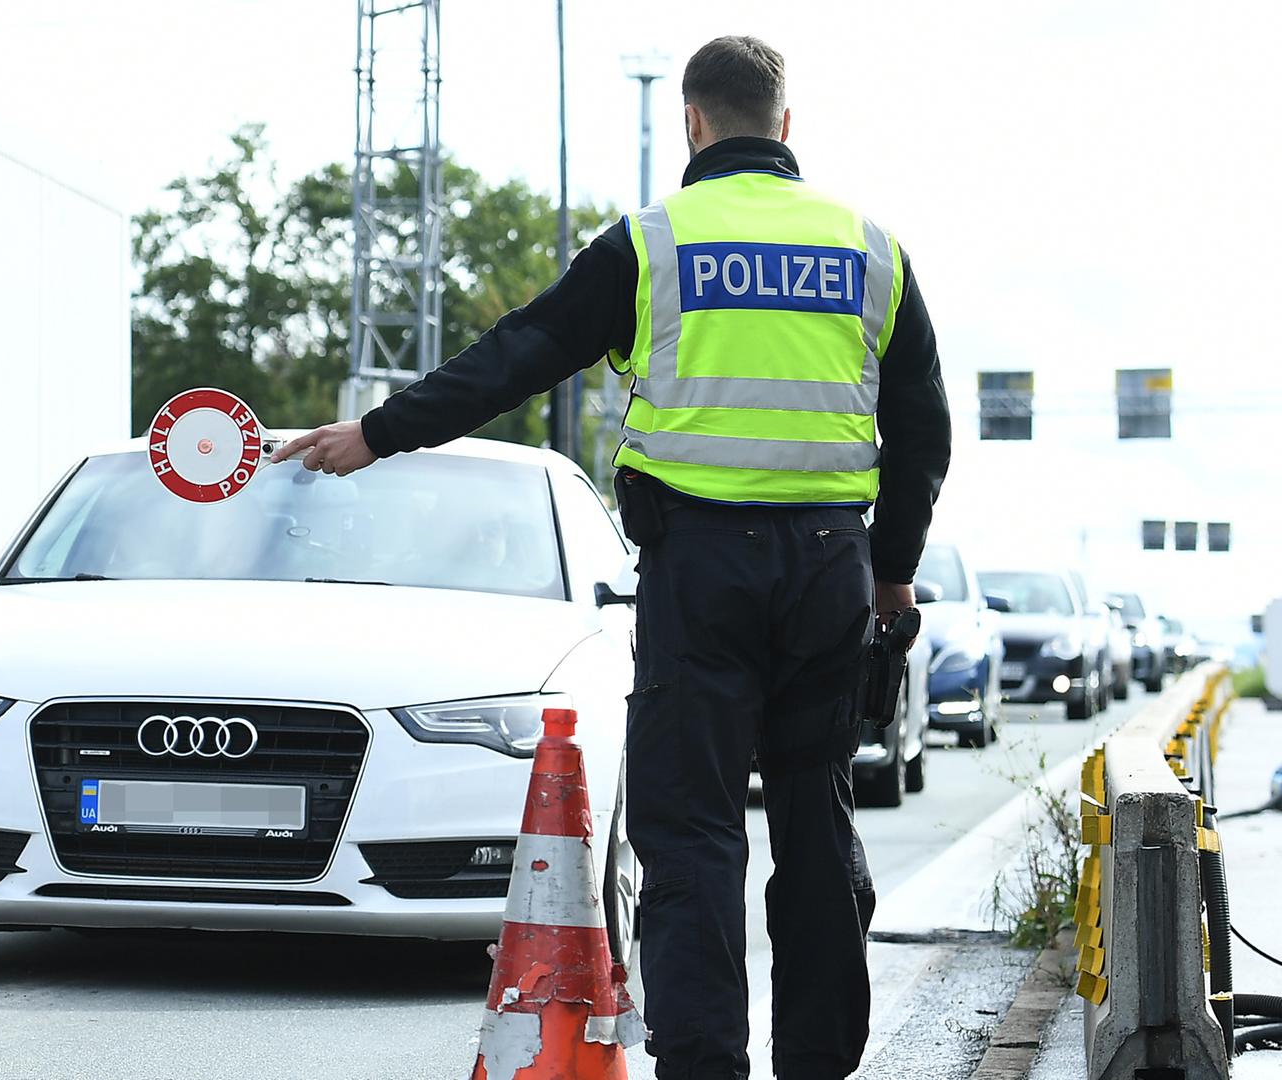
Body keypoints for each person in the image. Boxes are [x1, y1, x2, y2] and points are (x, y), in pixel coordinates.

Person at [272, 34, 950, 1080]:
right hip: (829, 570)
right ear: (785, 124)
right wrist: (893, 570)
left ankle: (704, 1064)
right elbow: (923, 427)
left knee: (690, 840)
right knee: (813, 824)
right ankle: (817, 1061)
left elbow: (519, 352)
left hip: (700, 571)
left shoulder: (654, 242)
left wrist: (379, 432)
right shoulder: (871, 247)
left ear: (691, 122)